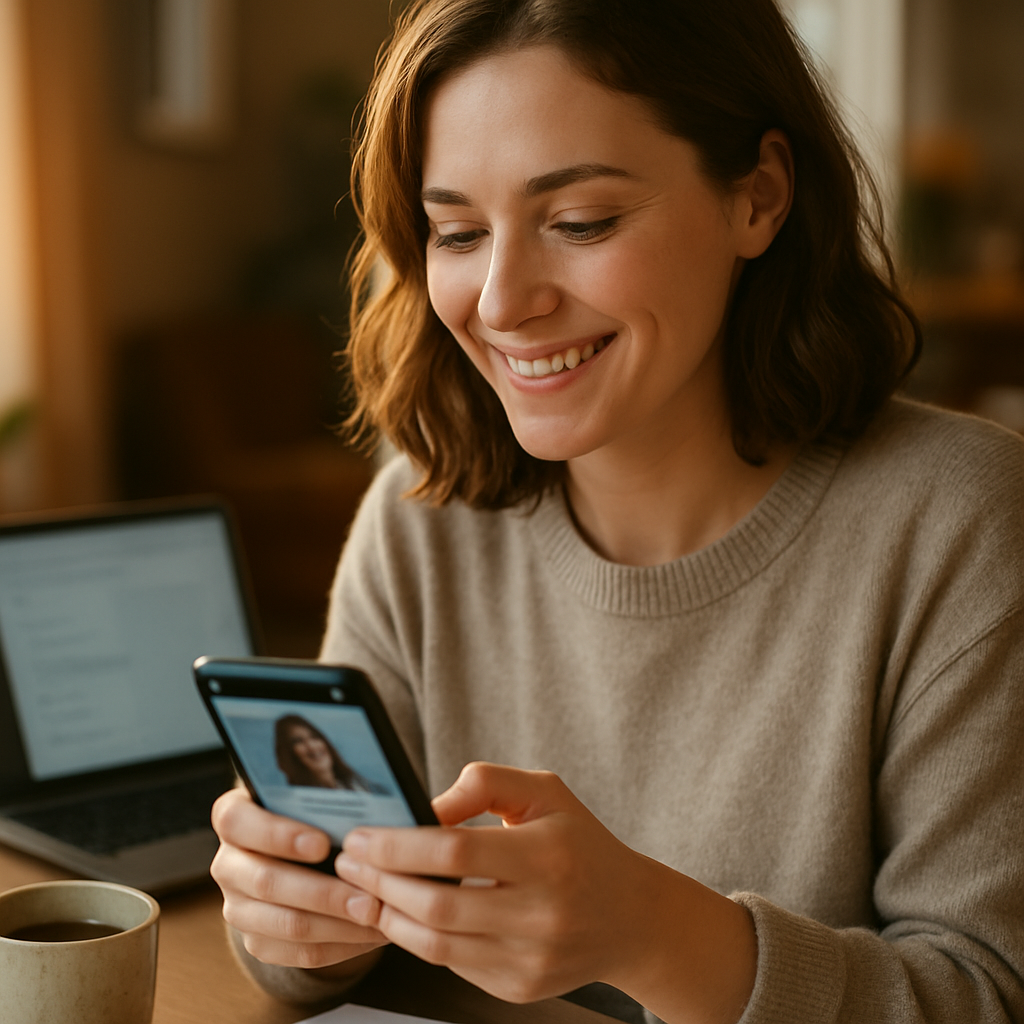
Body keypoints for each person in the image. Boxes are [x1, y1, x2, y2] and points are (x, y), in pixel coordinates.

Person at [209, 1, 1024, 1021]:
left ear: (759, 196)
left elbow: (987, 992)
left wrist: (653, 930)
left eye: (581, 221)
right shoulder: (423, 516)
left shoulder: (963, 520)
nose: (502, 301)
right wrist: (293, 920)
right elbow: (314, 945)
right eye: (456, 231)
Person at [273, 714, 379, 792]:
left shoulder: (369, 789)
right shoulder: (291, 803)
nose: (312, 746)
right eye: (298, 741)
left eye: (314, 737)